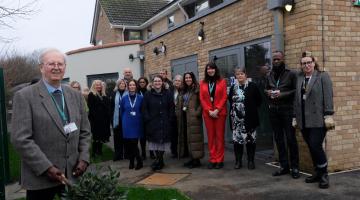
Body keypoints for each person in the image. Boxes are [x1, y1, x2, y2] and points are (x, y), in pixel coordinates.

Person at [10, 48, 91, 200]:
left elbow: (85, 131)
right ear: (41, 67)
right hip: (41, 178)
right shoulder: (25, 96)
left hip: (73, 173)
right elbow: (21, 139)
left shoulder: (75, 96)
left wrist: (84, 158)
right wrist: (46, 168)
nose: (56, 67)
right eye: (51, 64)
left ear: (65, 67)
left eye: (60, 64)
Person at [293, 51, 334, 189]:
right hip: (303, 120)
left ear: (314, 63)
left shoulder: (322, 76)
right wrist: (294, 116)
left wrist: (328, 115)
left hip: (318, 119)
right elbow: (297, 99)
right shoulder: (300, 78)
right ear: (301, 65)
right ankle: (317, 172)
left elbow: (328, 96)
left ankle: (324, 175)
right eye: (304, 63)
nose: (306, 65)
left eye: (309, 62)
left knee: (315, 145)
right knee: (311, 146)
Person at [265, 50, 300, 178]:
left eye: (278, 59)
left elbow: (296, 90)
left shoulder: (291, 74)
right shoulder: (270, 74)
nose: (276, 61)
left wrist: (282, 94)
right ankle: (284, 166)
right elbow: (265, 88)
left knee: (291, 139)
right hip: (274, 110)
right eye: (274, 59)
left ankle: (295, 167)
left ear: (283, 59)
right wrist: (268, 92)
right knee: (279, 139)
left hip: (287, 110)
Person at [228, 68, 262, 170]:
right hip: (236, 120)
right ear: (236, 76)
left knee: (250, 141)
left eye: (242, 74)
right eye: (237, 74)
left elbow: (259, 101)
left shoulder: (253, 86)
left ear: (245, 75)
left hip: (250, 119)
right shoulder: (233, 87)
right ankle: (238, 161)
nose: (240, 76)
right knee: (237, 141)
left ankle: (250, 161)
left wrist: (249, 109)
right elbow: (230, 100)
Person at [142, 75, 175, 171]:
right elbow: (144, 108)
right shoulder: (148, 94)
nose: (157, 83)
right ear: (152, 83)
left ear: (162, 82)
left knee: (162, 142)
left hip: (165, 122)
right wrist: (147, 119)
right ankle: (159, 161)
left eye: (159, 81)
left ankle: (159, 161)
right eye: (155, 81)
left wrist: (170, 119)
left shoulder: (168, 93)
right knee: (155, 142)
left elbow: (171, 107)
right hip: (152, 122)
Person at [199, 62, 227, 169]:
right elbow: (202, 98)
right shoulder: (202, 83)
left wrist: (217, 110)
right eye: (208, 69)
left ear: (215, 70)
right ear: (206, 71)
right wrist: (209, 110)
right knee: (211, 137)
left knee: (219, 137)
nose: (210, 70)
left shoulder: (222, 81)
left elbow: (224, 97)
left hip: (220, 113)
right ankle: (213, 159)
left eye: (212, 69)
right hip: (208, 114)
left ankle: (220, 159)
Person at [176, 72, 204, 168]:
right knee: (187, 138)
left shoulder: (197, 89)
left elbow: (202, 102)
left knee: (195, 139)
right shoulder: (183, 90)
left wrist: (197, 113)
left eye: (189, 77)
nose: (188, 79)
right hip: (184, 116)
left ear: (193, 78)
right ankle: (192, 158)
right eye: (186, 78)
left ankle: (197, 160)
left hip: (194, 118)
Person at [121, 79, 144, 170]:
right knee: (129, 144)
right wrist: (123, 121)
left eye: (133, 85)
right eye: (130, 85)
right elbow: (121, 111)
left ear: (136, 86)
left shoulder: (141, 98)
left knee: (134, 143)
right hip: (127, 123)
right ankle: (132, 161)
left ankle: (138, 161)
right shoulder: (124, 98)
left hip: (137, 123)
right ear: (128, 87)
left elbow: (142, 110)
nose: (132, 87)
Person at [88, 79, 111, 156]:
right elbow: (91, 108)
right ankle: (94, 152)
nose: (98, 86)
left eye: (100, 84)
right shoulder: (91, 95)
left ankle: (100, 151)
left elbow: (107, 106)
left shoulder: (104, 94)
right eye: (97, 85)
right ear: (93, 86)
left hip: (104, 120)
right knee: (96, 137)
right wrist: (96, 118)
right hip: (95, 120)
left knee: (101, 137)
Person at [111, 79, 128, 161]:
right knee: (117, 138)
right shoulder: (113, 94)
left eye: (123, 83)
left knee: (127, 137)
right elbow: (111, 107)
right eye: (120, 83)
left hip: (126, 118)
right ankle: (118, 155)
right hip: (116, 119)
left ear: (125, 85)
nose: (122, 85)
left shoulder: (128, 93)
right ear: (117, 85)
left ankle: (127, 154)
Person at [137, 77, 153, 159]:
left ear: (146, 83)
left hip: (149, 116)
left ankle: (151, 152)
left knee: (150, 136)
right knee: (142, 137)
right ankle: (143, 153)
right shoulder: (137, 92)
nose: (142, 83)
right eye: (140, 82)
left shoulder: (149, 92)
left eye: (143, 82)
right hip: (140, 117)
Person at [171, 74, 183, 158]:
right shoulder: (170, 90)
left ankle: (182, 151)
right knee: (173, 134)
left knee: (181, 133)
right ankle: (174, 151)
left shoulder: (183, 90)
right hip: (172, 115)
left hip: (182, 115)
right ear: (173, 81)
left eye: (179, 81)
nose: (177, 82)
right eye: (176, 80)